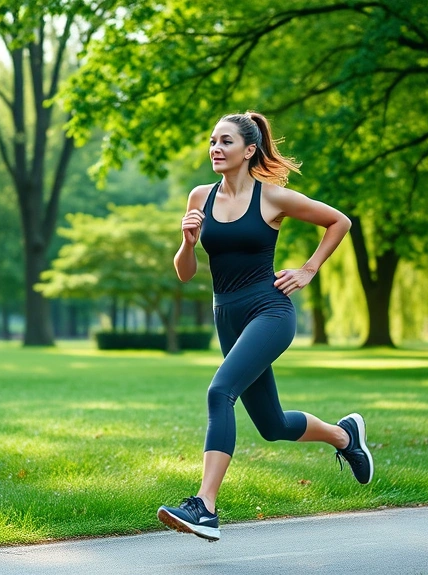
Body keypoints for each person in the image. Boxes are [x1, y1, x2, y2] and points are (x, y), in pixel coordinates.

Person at [156, 111, 373, 542]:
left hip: (269, 311)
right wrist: (187, 241)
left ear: (249, 150)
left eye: (226, 142)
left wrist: (310, 268)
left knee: (220, 391)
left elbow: (339, 221)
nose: (215, 149)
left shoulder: (272, 198)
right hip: (227, 316)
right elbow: (184, 273)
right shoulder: (199, 196)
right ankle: (344, 436)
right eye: (213, 142)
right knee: (272, 425)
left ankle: (205, 507)